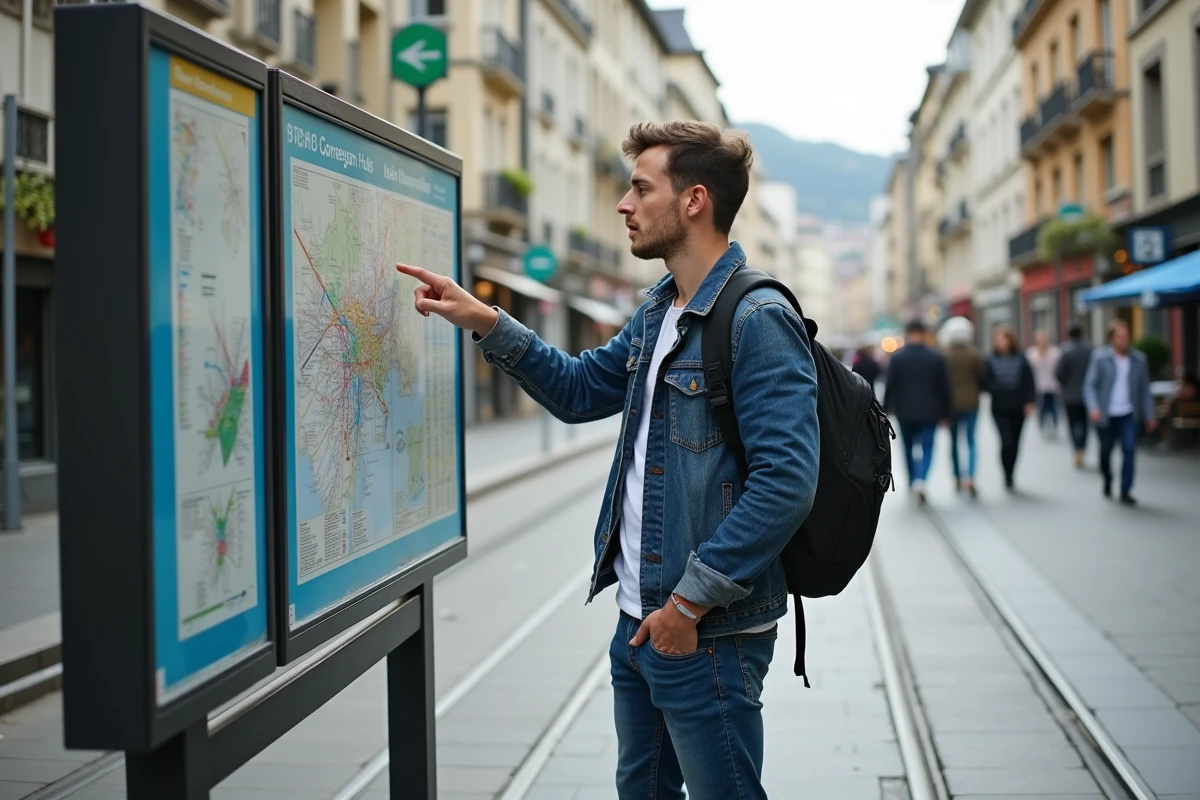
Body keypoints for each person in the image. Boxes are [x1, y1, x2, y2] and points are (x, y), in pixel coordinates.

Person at [398, 121, 819, 799]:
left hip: (705, 633)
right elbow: (577, 389)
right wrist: (484, 320)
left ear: (693, 201)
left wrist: (687, 605)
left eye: (641, 188)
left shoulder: (756, 317)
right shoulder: (659, 311)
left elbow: (786, 483)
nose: (624, 204)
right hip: (641, 622)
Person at [1083, 319, 1157, 505]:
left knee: (1130, 450)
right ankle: (1107, 478)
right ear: (1111, 338)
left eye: (1126, 336)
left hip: (1128, 414)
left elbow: (1144, 390)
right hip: (1106, 415)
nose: (1123, 340)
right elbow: (1089, 386)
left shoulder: (1139, 360)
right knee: (1105, 453)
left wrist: (1150, 415)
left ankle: (1125, 490)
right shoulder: (1100, 358)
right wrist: (1094, 408)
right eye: (1119, 337)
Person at [882, 319, 952, 504]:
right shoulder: (936, 357)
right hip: (930, 411)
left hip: (905, 411)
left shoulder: (897, 358)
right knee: (928, 448)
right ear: (924, 334)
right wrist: (946, 413)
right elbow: (944, 388)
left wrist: (885, 410)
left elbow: (891, 386)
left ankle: (913, 480)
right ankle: (921, 480)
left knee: (907, 449)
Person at [982, 324, 1036, 491]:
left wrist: (1029, 401)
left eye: (1003, 339)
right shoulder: (990, 359)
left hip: (1018, 407)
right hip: (1000, 407)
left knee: (1016, 442)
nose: (1000, 343)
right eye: (998, 340)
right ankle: (1006, 474)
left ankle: (1011, 472)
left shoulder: (1021, 358)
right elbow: (984, 382)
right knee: (1007, 442)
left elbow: (1029, 381)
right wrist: (997, 388)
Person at [939, 316, 984, 496]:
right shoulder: (974, 354)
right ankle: (971, 477)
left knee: (954, 442)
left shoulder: (944, 356)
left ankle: (957, 477)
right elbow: (982, 378)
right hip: (972, 403)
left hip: (952, 405)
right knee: (971, 441)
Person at [1055, 324, 1094, 467]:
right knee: (1084, 424)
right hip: (1087, 396)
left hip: (1070, 395)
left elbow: (1059, 374)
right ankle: (1082, 448)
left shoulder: (1065, 351)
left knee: (1072, 424)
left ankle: (1076, 449)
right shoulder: (1090, 350)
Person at [1026, 329, 1061, 437]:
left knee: (1053, 408)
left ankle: (1054, 427)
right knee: (1041, 408)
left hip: (1052, 386)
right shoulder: (1031, 353)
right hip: (1038, 386)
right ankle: (1042, 427)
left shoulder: (1055, 353)